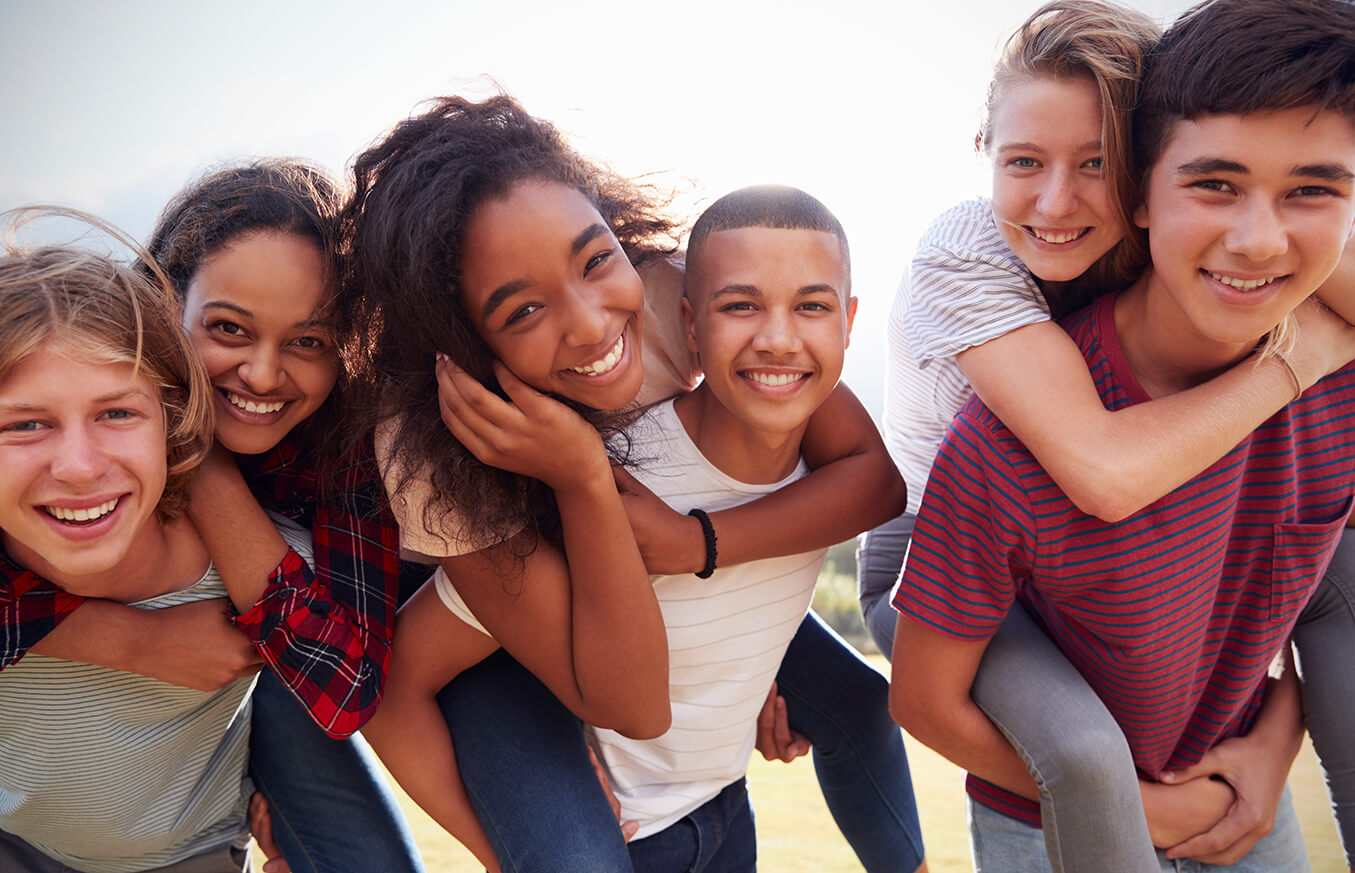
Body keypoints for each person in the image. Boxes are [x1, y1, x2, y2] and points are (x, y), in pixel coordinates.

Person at [345, 95, 918, 872]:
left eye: (595, 259)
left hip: (660, 574)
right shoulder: (434, 452)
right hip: (520, 626)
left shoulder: (675, 302)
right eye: (523, 310)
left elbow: (863, 479)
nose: (588, 324)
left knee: (856, 704)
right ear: (465, 342)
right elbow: (630, 705)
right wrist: (511, 850)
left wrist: (716, 578)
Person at [860, 2, 1355, 870]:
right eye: (1024, 161)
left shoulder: (1204, 259)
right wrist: (1295, 359)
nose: (1057, 199)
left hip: (1159, 623)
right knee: (1084, 753)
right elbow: (1100, 469)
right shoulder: (966, 261)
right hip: (929, 544)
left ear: (1130, 183)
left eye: (1094, 163)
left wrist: (1273, 745)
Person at [0, 163, 425, 873]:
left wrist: (201, 464)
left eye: (308, 340)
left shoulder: (341, 456)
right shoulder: (65, 463)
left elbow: (341, 679)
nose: (261, 374)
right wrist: (130, 639)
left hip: (272, 644)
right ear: (164, 309)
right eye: (228, 328)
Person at [0, 214, 305, 872]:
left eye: (117, 413)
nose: (79, 465)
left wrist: (313, 834)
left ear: (172, 419)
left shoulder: (249, 563)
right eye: (25, 423)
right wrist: (136, 642)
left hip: (186, 853)